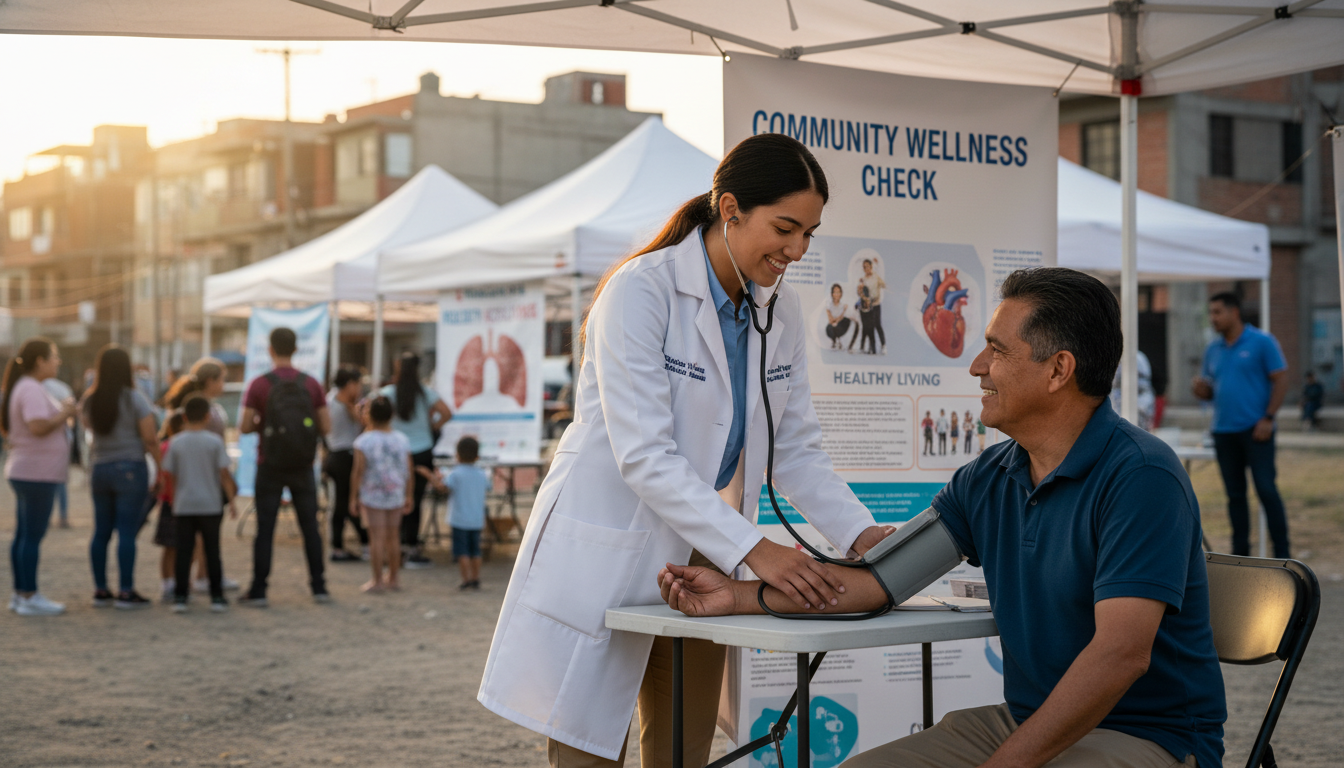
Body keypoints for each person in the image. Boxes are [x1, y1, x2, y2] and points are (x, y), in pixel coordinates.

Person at [661, 267, 1226, 768]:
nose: (977, 365)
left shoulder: (1142, 477)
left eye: (997, 351)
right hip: (1029, 721)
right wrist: (733, 595)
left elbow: (1120, 655)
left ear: (1059, 370)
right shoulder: (989, 475)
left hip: (1150, 739)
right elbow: (876, 582)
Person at [479, 133, 894, 768]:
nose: (797, 250)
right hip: (611, 544)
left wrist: (865, 537)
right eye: (785, 228)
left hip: (704, 553)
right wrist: (759, 550)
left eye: (809, 234)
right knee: (588, 752)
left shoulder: (777, 314)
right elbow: (643, 454)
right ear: (730, 209)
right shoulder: (641, 292)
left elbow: (798, 452)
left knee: (683, 750)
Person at [1192, 292, 1291, 558]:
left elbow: (1280, 380)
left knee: (1266, 490)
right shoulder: (1213, 349)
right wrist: (1202, 390)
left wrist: (1268, 418)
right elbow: (1213, 391)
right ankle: (1240, 557)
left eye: (1217, 312)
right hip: (1224, 431)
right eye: (1210, 313)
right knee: (1235, 497)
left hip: (1256, 430)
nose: (1212, 318)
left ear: (1234, 312)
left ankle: (1283, 555)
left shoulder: (1261, 342)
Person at [238, 327, 330, 607]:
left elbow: (243, 426)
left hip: (270, 463)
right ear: (295, 349)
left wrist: (266, 425)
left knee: (265, 529)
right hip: (303, 464)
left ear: (270, 349)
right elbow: (326, 426)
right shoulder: (311, 384)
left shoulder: (259, 385)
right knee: (309, 527)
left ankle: (259, 589)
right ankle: (319, 587)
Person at [82, 344, 161, 610]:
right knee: (127, 532)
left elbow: (88, 429)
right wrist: (161, 468)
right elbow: (150, 438)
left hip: (100, 469)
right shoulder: (134, 398)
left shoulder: (90, 399)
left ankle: (100, 590)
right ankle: (126, 591)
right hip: (129, 468)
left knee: (101, 532)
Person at [4, 338, 77, 616]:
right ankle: (29, 595)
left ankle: (20, 595)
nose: (57, 362)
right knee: (31, 536)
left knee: (24, 535)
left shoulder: (25, 387)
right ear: (40, 361)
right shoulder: (32, 389)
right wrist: (66, 413)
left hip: (28, 470)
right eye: (54, 357)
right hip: (37, 473)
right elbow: (37, 426)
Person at [163, 358, 240, 593]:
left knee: (206, 535)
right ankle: (184, 580)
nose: (224, 384)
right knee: (193, 537)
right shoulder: (189, 412)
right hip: (197, 480)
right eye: (222, 379)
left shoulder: (210, 408)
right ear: (210, 381)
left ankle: (203, 575)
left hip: (210, 478)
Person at [380, 351, 451, 569]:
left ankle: (393, 548)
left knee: (394, 499)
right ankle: (411, 548)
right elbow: (446, 413)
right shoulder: (426, 393)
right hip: (422, 451)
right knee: (415, 501)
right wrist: (431, 429)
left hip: (397, 452)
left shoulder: (388, 392)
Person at [350, 396, 413, 593]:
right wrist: (409, 494)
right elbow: (408, 469)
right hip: (395, 492)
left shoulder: (363, 441)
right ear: (391, 415)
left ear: (368, 415)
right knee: (393, 537)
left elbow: (358, 471)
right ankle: (393, 578)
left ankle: (377, 580)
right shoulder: (402, 439)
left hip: (372, 494)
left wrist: (353, 497)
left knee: (376, 538)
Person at [434, 435, 490, 591]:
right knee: (475, 551)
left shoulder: (455, 473)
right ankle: (476, 578)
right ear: (477, 456)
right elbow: (489, 486)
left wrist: (432, 477)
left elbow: (443, 488)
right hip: (477, 519)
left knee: (462, 552)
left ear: (457, 454)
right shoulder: (481, 474)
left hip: (459, 519)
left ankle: (465, 580)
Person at [325, 366, 369, 561]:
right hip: (343, 457)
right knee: (345, 503)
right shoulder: (340, 402)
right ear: (350, 384)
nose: (360, 389)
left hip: (336, 456)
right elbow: (363, 424)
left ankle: (352, 543)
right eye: (358, 384)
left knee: (345, 502)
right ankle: (341, 546)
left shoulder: (332, 400)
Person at [153, 412, 186, 601]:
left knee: (176, 546)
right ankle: (167, 583)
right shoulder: (169, 447)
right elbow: (165, 476)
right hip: (172, 502)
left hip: (174, 501)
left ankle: (173, 582)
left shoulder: (167, 446)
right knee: (171, 546)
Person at [41, 374, 76, 529]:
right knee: (61, 480)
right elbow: (71, 418)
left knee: (42, 479)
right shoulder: (63, 387)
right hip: (62, 439)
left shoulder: (35, 388)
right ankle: (63, 516)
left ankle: (44, 516)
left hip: (41, 440)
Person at [856, 258, 887, 355]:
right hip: (868, 307)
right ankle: (871, 347)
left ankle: (883, 346)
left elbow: (883, 285)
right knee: (869, 327)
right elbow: (860, 293)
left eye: (868, 266)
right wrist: (862, 295)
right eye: (864, 267)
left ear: (871, 267)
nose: (866, 269)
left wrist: (881, 284)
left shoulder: (876, 276)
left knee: (878, 325)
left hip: (876, 304)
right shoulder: (863, 280)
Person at [824, 283, 858, 351]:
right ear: (832, 294)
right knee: (830, 327)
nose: (837, 294)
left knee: (845, 320)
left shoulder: (843, 305)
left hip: (840, 327)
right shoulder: (829, 306)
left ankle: (843, 342)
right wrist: (839, 318)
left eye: (838, 292)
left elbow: (843, 318)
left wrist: (842, 314)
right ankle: (835, 341)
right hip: (832, 327)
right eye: (835, 292)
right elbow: (831, 320)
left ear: (841, 294)